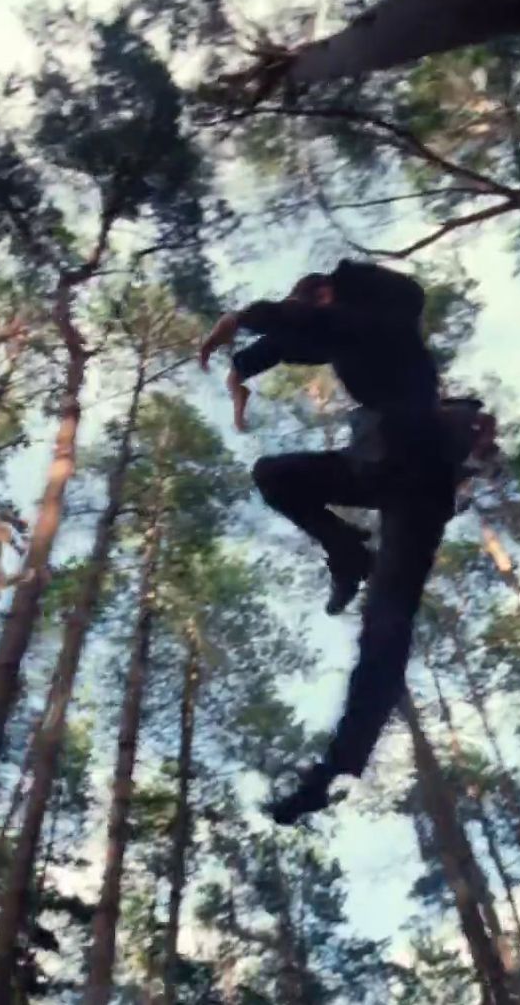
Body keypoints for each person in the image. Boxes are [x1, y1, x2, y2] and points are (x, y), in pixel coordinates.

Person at [198, 260, 498, 823]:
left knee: (387, 625)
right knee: (275, 474)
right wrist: (240, 370)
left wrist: (242, 318)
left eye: (311, 313)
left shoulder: (384, 318)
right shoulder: (339, 335)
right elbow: (295, 342)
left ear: (326, 297)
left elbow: (325, 327)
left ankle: (338, 765)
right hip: (384, 476)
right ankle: (349, 552)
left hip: (421, 481)